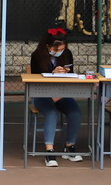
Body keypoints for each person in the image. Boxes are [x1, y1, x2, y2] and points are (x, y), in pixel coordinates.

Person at [30, 28, 83, 167]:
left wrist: (66, 72)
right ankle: (50, 151)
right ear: (47, 46)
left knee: (75, 112)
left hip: (61, 93)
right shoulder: (37, 55)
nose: (59, 50)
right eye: (56, 48)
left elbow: (72, 74)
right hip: (42, 94)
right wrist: (51, 72)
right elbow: (35, 78)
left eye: (62, 48)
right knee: (52, 113)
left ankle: (69, 146)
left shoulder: (67, 54)